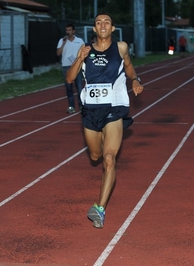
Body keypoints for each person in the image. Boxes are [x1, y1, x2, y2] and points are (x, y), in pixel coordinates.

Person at [66, 12, 144, 229]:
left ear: (112, 28)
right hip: (90, 112)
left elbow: (128, 66)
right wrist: (80, 58)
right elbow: (70, 79)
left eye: (107, 22)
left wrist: (135, 80)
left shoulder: (121, 48)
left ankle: (99, 209)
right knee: (95, 155)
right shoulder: (86, 51)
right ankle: (101, 154)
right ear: (94, 29)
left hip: (113, 109)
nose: (102, 25)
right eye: (98, 22)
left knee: (109, 159)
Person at [56, 23, 85, 114]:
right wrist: (64, 43)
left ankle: (81, 106)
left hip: (77, 66)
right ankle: (71, 106)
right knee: (69, 88)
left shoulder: (79, 41)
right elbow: (58, 53)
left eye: (69, 30)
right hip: (66, 66)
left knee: (79, 87)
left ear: (73, 31)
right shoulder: (62, 40)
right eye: (67, 30)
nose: (68, 32)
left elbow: (84, 52)